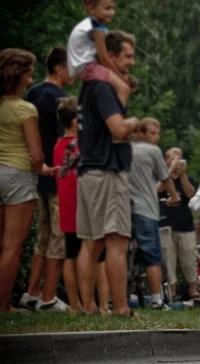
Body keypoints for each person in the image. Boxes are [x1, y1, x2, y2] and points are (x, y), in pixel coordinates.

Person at [75, 30, 138, 316]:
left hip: (89, 169)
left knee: (91, 242)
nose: (132, 62)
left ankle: (87, 307)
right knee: (116, 240)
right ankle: (121, 307)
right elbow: (118, 129)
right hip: (107, 170)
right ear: (109, 56)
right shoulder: (103, 87)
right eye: (127, 56)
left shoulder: (89, 85)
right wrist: (134, 121)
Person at [0, 48, 56, 312]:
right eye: (30, 72)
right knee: (12, 246)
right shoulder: (25, 109)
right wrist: (44, 168)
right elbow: (35, 155)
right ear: (20, 74)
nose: (32, 76)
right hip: (18, 176)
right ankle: (3, 306)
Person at [20, 47, 72, 312]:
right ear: (60, 68)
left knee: (43, 234)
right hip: (57, 175)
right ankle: (49, 296)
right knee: (58, 236)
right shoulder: (61, 99)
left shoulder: (33, 93)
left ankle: (31, 292)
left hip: (36, 174)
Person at [129, 117, 180, 310]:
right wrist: (174, 196)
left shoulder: (125, 149)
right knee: (153, 255)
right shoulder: (152, 151)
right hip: (146, 210)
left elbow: (150, 186)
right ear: (140, 133)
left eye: (158, 133)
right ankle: (157, 299)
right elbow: (165, 179)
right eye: (152, 133)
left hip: (124, 208)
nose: (156, 137)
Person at [52, 96, 83, 313]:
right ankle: (91, 301)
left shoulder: (57, 146)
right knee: (89, 255)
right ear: (74, 121)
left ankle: (74, 304)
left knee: (70, 255)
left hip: (65, 205)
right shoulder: (78, 146)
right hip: (82, 206)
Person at [67, 0, 130, 105]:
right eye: (107, 8)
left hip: (82, 67)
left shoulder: (88, 23)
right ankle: (117, 118)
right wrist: (121, 78)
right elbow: (104, 58)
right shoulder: (96, 28)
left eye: (113, 8)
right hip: (89, 68)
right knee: (124, 88)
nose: (112, 12)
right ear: (92, 9)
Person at [158, 147, 200, 304]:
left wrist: (181, 174)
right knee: (168, 260)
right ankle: (172, 292)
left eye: (178, 158)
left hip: (185, 225)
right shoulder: (161, 177)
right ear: (165, 160)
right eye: (171, 157)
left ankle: (193, 289)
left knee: (189, 258)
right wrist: (169, 171)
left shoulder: (186, 177)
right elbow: (157, 190)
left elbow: (190, 194)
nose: (175, 161)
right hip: (166, 225)